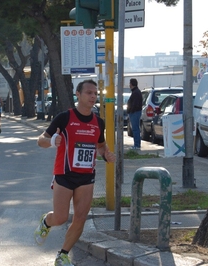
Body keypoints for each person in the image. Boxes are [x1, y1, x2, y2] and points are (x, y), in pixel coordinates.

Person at [35, 79, 116, 266]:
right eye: (88, 92)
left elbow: (101, 146)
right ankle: (46, 222)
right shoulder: (65, 118)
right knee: (61, 217)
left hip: (86, 176)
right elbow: (41, 140)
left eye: (95, 93)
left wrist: (106, 154)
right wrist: (52, 140)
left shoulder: (98, 122)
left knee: (80, 217)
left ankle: (62, 255)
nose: (93, 96)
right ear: (78, 95)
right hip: (64, 174)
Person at [127, 78, 143, 150]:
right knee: (135, 128)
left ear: (132, 84)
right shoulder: (136, 92)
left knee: (135, 129)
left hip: (135, 113)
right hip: (135, 112)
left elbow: (135, 104)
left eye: (130, 83)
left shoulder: (136, 93)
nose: (129, 85)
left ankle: (137, 145)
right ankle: (136, 144)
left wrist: (130, 110)